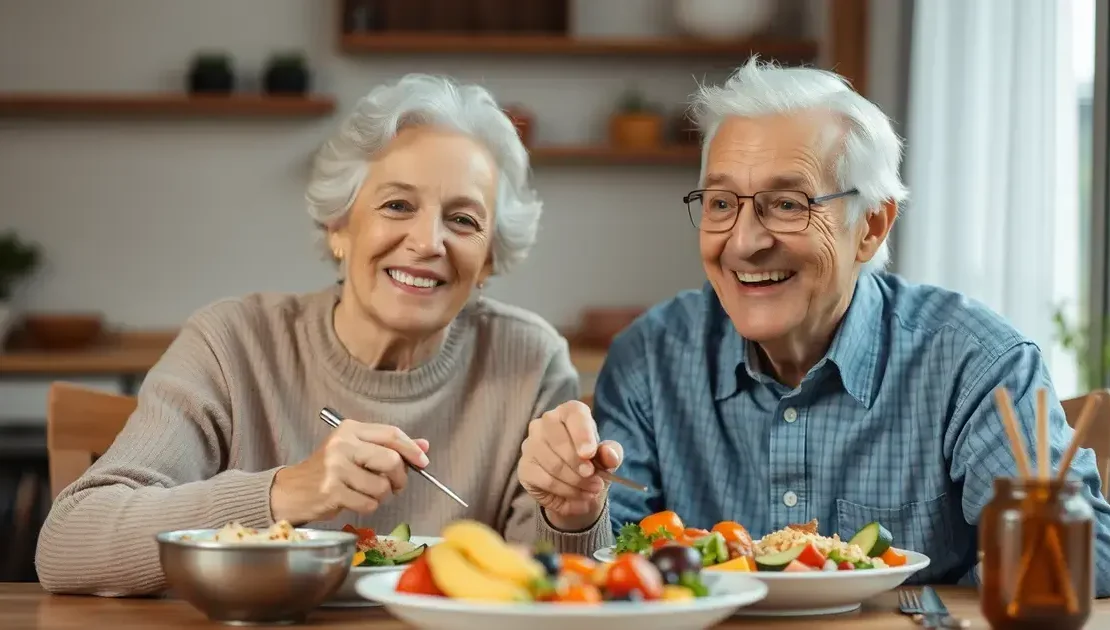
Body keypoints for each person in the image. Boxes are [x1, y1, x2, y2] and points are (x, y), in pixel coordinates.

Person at [519, 58, 1110, 596]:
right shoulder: (650, 358)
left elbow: (1095, 565)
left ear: (872, 226)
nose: (746, 242)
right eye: (722, 204)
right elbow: (608, 570)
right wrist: (575, 513)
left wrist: (1036, 543)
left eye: (788, 204)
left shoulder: (975, 363)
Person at [36, 74, 578, 596]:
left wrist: (570, 515)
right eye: (397, 205)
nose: (428, 242)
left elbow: (554, 589)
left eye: (463, 220)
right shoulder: (231, 344)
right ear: (338, 227)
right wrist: (282, 493)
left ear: (488, 261)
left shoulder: (531, 363)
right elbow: (68, 543)